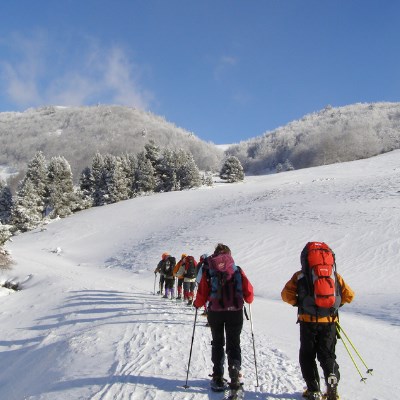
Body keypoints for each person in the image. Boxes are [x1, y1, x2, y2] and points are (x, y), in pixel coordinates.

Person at [281, 242, 355, 400]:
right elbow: (349, 295)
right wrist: (334, 306)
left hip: (307, 322)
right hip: (329, 322)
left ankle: (313, 390)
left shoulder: (300, 275)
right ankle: (332, 381)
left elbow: (285, 295)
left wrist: (299, 303)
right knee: (327, 355)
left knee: (307, 355)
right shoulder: (334, 276)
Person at [194, 243, 254, 395]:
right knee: (234, 343)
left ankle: (218, 376)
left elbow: (202, 292)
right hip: (235, 311)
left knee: (218, 343)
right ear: (229, 254)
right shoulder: (236, 269)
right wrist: (247, 299)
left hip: (215, 312)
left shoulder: (209, 270)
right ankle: (234, 375)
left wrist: (197, 304)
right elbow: (249, 293)